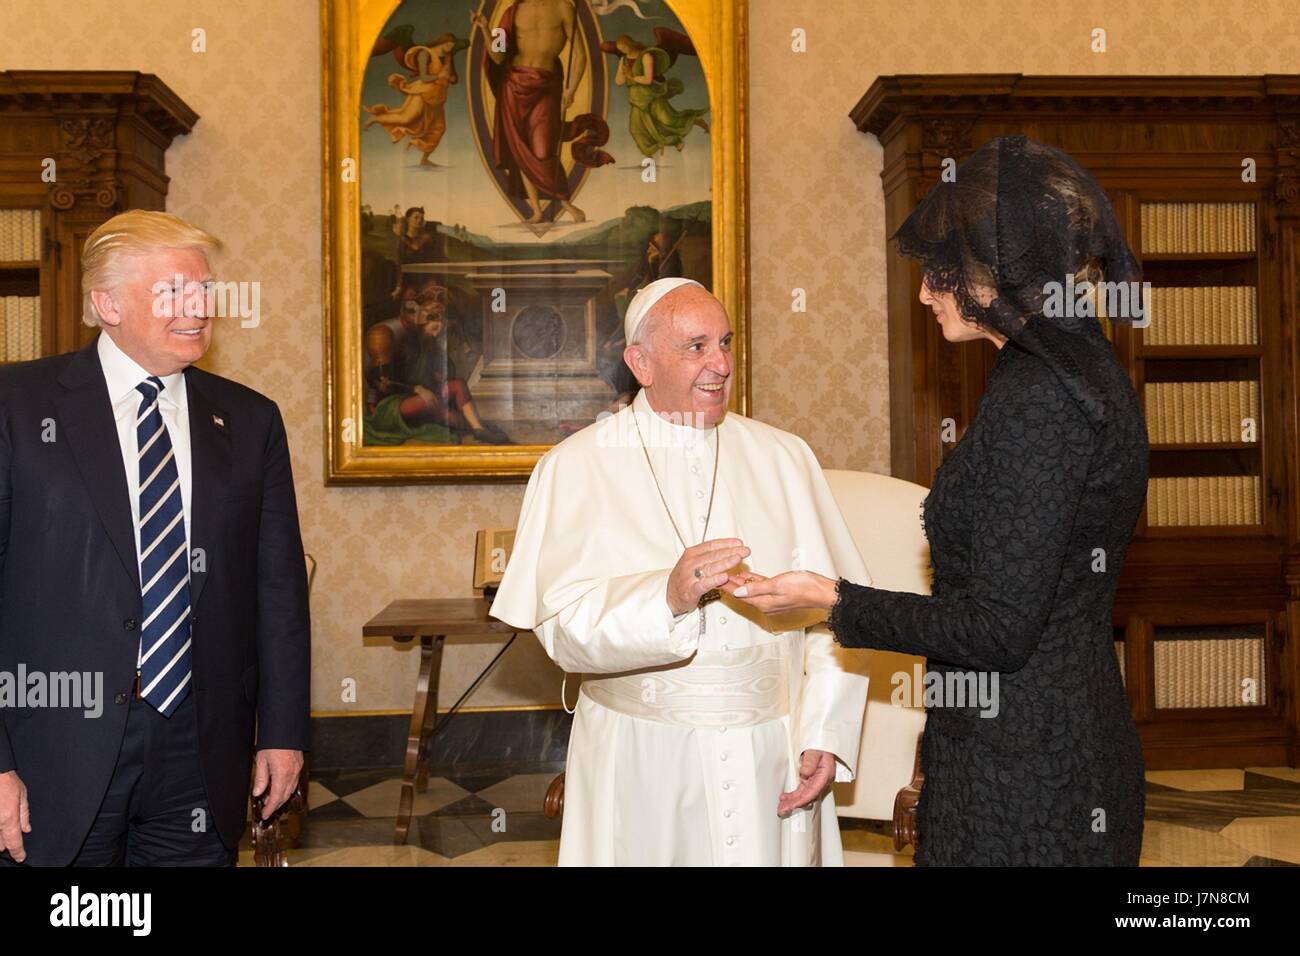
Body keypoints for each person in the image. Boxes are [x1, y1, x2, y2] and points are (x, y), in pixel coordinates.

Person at [725, 135, 1149, 866]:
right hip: (1036, 735)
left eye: (942, 271)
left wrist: (831, 599)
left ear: (997, 270)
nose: (925, 292)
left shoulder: (1041, 394)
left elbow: (998, 630)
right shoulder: (1071, 365)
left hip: (1027, 773)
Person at [490, 277, 873, 866]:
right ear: (640, 363)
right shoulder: (575, 467)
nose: (721, 363)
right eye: (696, 347)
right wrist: (666, 598)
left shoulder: (784, 457)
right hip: (642, 762)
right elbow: (561, 633)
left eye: (725, 342)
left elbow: (839, 613)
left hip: (773, 755)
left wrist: (826, 730)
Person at [0, 210, 311, 866]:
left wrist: (283, 732)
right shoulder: (18, 407)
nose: (198, 308)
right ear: (107, 304)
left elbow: (278, 592)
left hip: (200, 750)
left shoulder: (250, 420)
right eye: (173, 291)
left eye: (205, 289)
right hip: (52, 748)